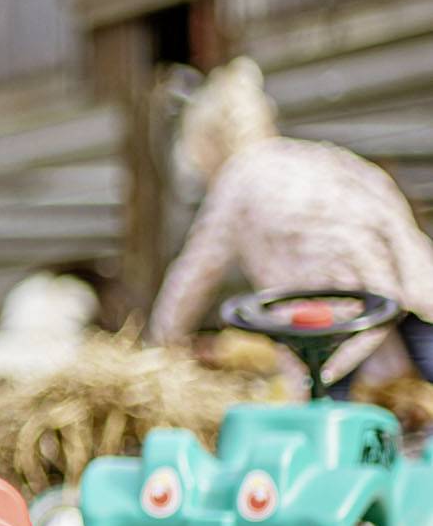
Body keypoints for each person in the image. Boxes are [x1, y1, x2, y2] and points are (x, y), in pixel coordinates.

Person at [148, 57, 433, 388]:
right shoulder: (307, 156)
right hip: (408, 279)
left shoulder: (237, 178)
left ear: (209, 143)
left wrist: (159, 346)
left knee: (326, 399)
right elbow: (382, 194)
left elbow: (196, 271)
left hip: (334, 308)